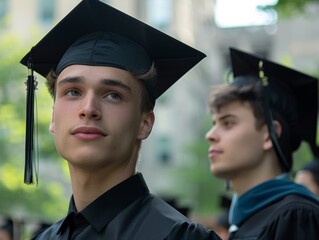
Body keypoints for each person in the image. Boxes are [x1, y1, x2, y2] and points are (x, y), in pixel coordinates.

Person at [20, 0, 221, 239]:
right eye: (73, 91)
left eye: (113, 95)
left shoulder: (179, 236)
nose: (88, 108)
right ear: (53, 118)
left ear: (144, 124)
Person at [205, 47, 319, 239]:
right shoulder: (245, 221)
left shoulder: (295, 217)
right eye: (214, 124)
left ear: (269, 134)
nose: (210, 135)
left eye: (228, 123)